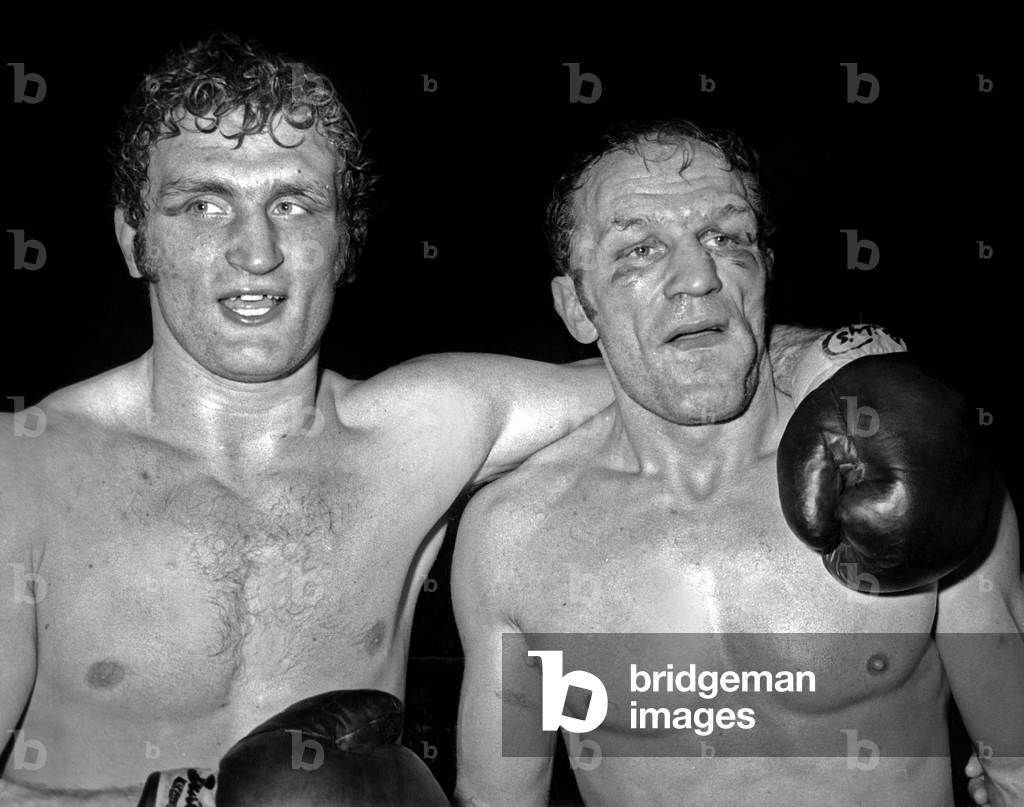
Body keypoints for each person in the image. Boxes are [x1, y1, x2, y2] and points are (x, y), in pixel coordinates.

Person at [0, 36, 853, 807]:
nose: (255, 251)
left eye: (295, 204)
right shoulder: (27, 474)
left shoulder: (424, 428)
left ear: (346, 239)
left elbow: (676, 355)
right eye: (203, 205)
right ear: (133, 238)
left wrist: (847, 358)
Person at [452, 121, 1022, 806]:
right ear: (578, 306)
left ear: (764, 268)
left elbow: (1018, 765)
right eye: (639, 249)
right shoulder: (514, 536)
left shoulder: (914, 466)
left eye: (727, 238)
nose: (697, 277)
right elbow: (497, 799)